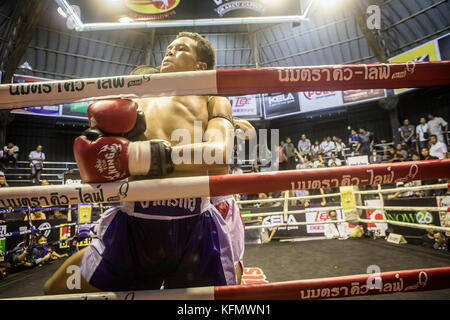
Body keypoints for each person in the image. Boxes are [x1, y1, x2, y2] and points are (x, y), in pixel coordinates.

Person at [45, 32, 241, 295]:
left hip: (194, 227)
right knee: (56, 289)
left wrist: (137, 156)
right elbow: (100, 166)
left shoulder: (212, 100)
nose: (169, 52)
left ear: (200, 66)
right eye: (168, 48)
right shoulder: (133, 100)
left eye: (181, 49)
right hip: (133, 226)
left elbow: (218, 156)